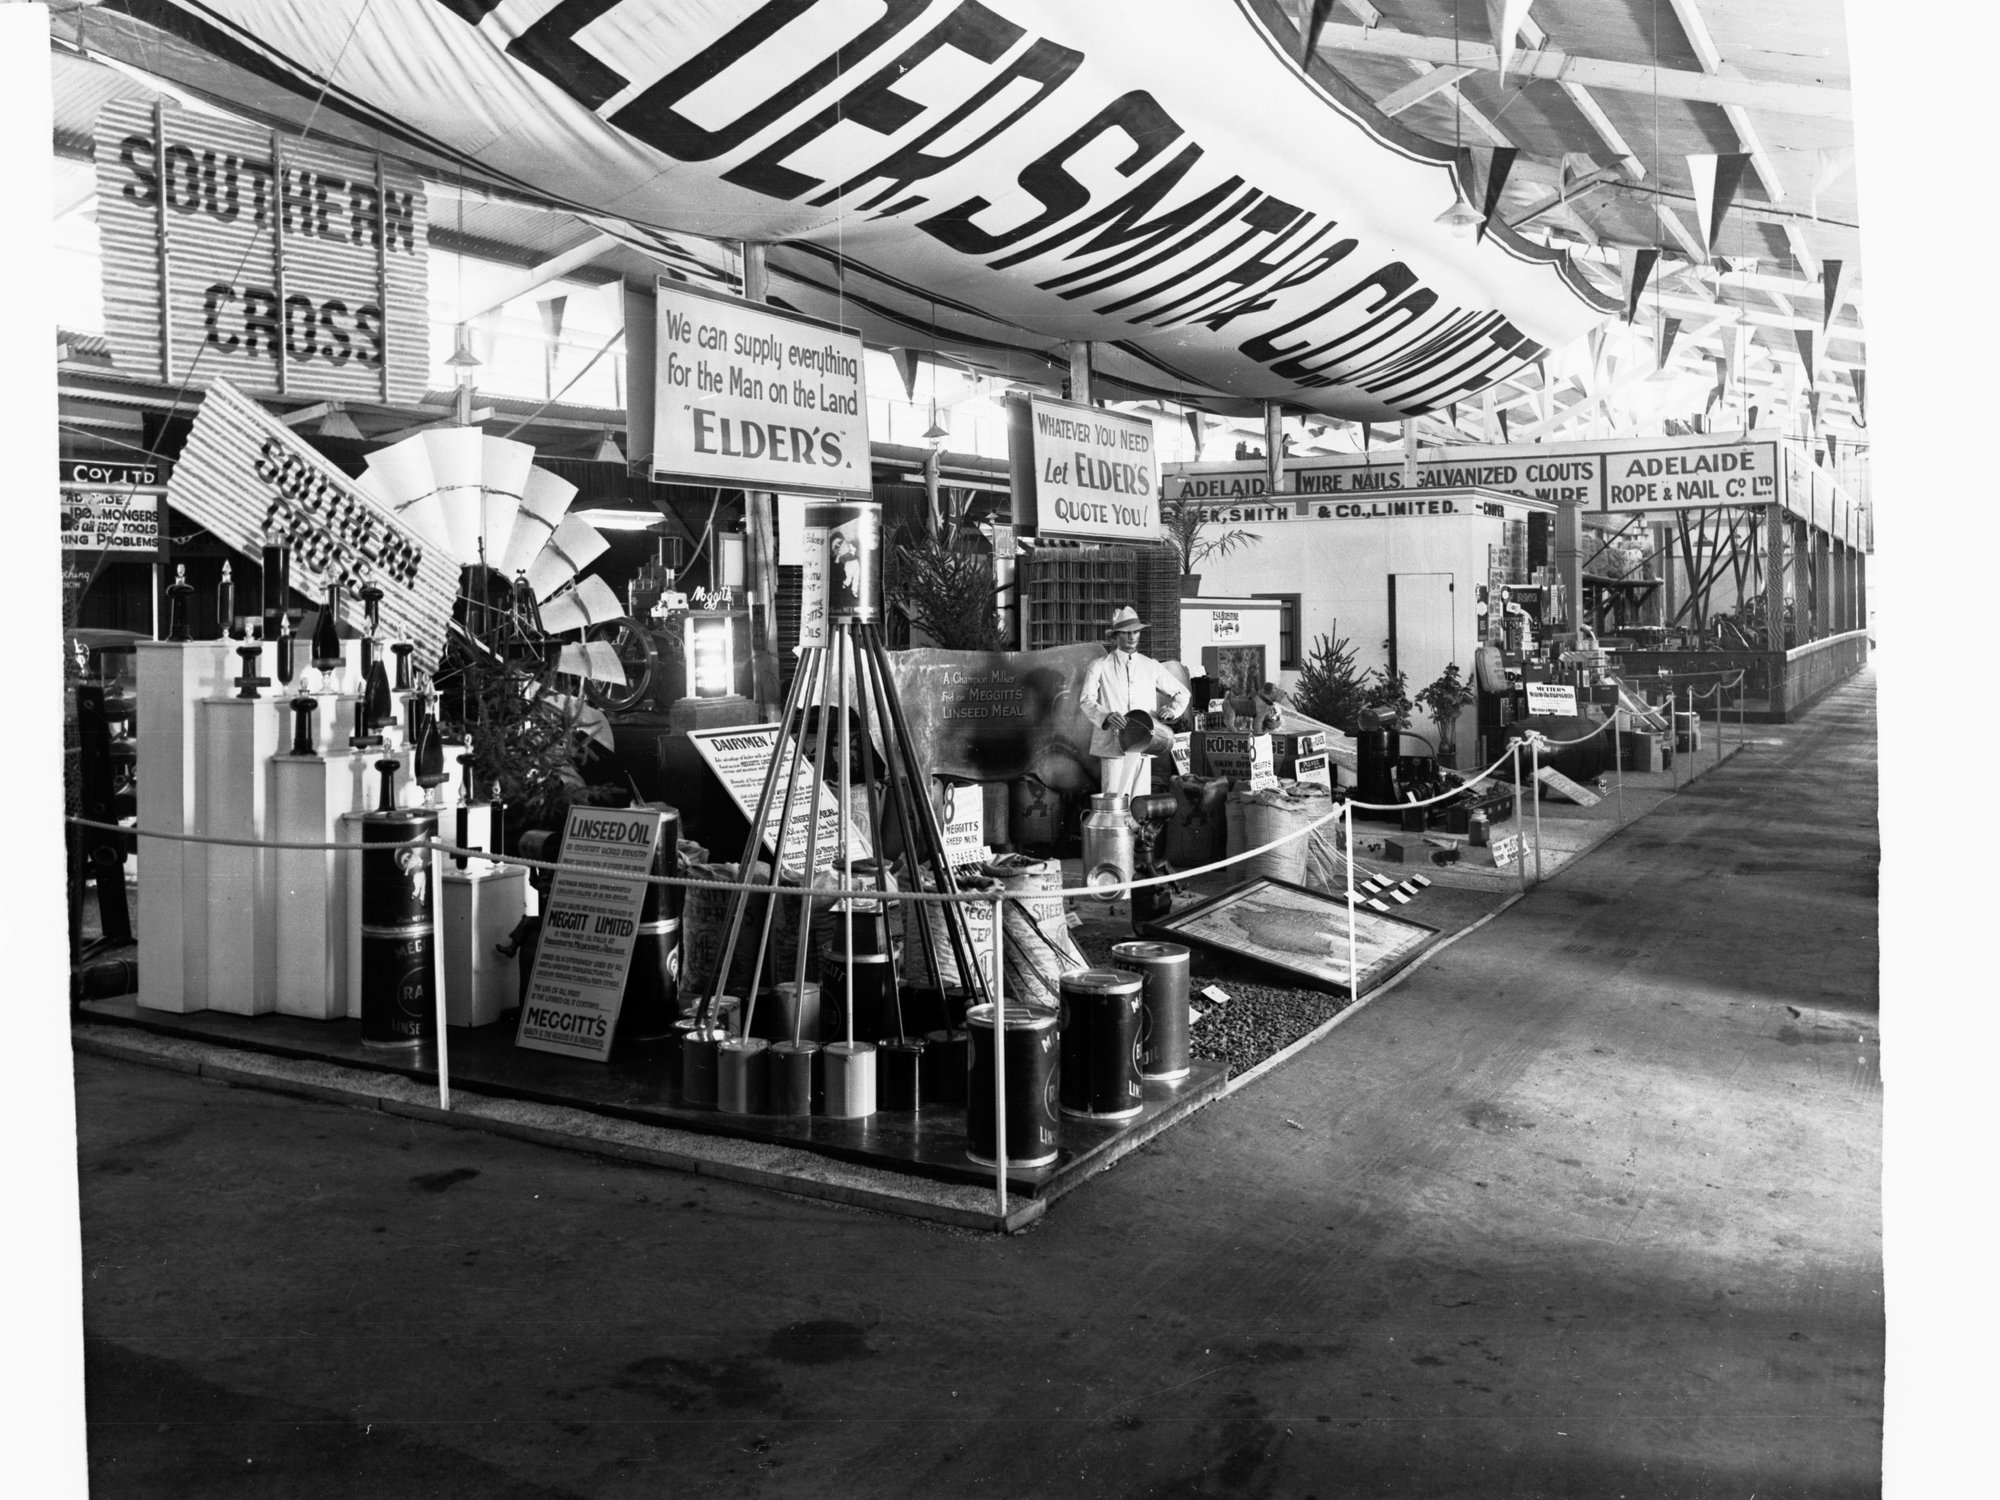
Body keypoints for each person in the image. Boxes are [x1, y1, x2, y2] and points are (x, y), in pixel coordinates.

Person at [1079, 605, 1190, 798]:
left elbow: (1183, 693)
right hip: (1113, 744)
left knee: (1139, 800)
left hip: (1144, 741)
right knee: (1114, 799)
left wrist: (1172, 710)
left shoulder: (1150, 666)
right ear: (1115, 637)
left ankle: (1139, 829)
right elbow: (1086, 700)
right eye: (1126, 633)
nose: (1132, 637)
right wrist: (1106, 716)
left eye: (1136, 632)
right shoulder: (1099, 666)